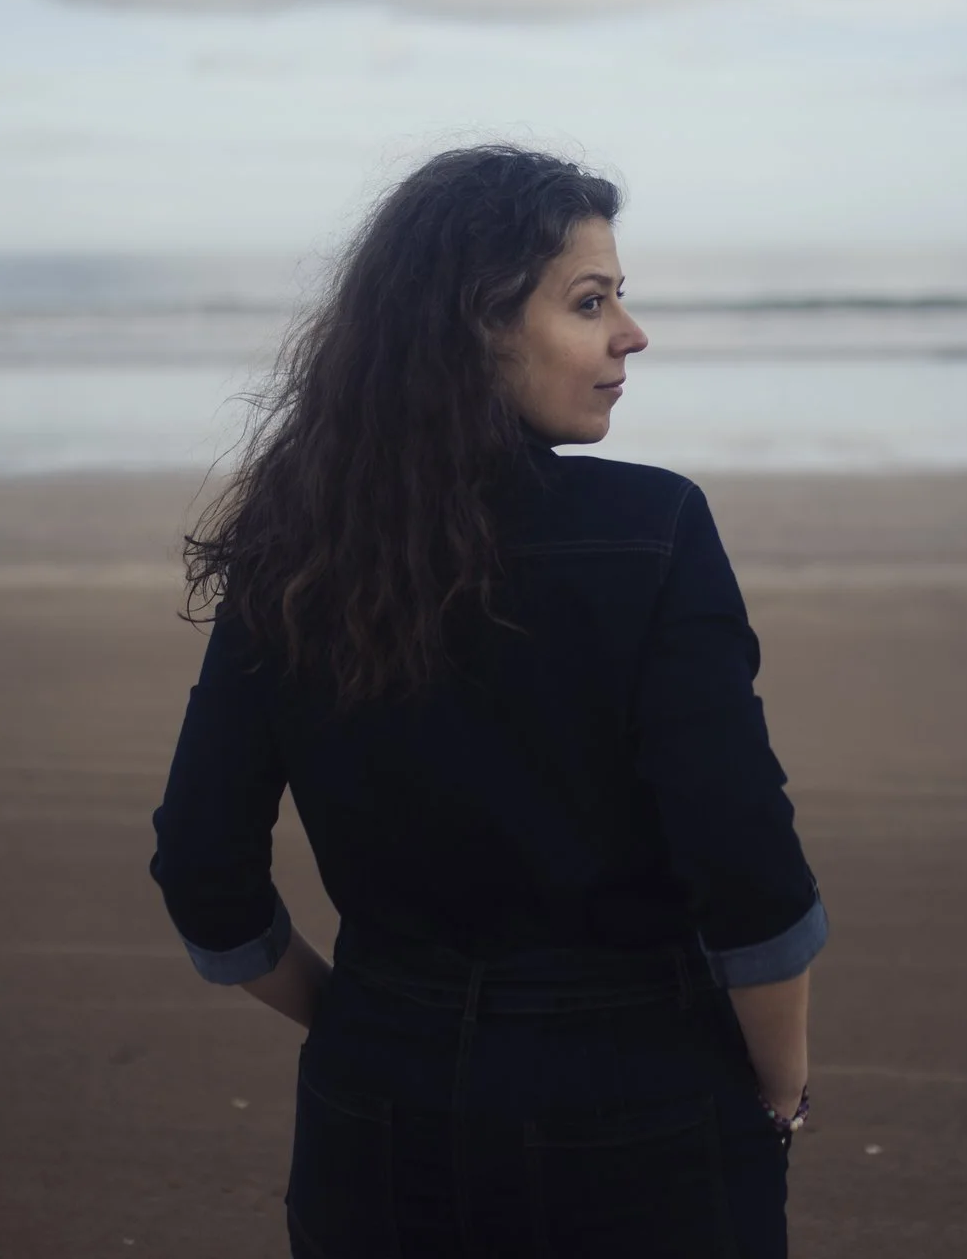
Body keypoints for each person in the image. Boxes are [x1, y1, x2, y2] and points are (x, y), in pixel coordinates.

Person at [149, 144, 825, 1257]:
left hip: (376, 1104)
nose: (631, 336)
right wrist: (779, 1089)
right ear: (477, 325)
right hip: (636, 1095)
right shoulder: (654, 531)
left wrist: (368, 1027)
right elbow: (745, 861)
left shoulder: (296, 547)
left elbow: (202, 872)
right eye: (590, 301)